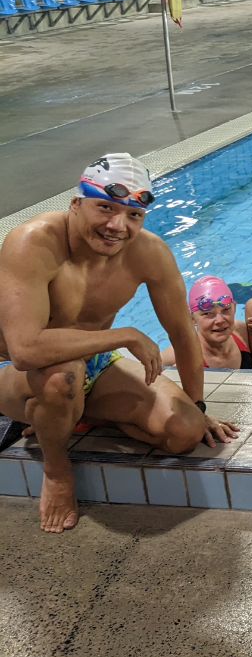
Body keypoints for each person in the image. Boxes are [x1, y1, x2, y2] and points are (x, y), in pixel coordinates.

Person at [0, 154, 237, 533]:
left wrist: (198, 406)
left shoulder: (149, 252)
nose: (117, 226)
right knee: (62, 377)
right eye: (105, 208)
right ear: (75, 204)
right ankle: (57, 472)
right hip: (19, 372)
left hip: (92, 362)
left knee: (185, 432)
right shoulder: (32, 243)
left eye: (133, 216)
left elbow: (182, 333)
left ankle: (75, 414)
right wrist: (125, 334)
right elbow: (25, 350)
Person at [163, 276, 252, 370]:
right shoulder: (180, 353)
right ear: (192, 319)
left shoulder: (241, 331)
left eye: (226, 310)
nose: (220, 320)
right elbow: (149, 374)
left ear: (234, 308)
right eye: (207, 314)